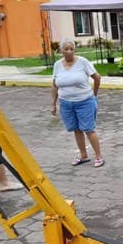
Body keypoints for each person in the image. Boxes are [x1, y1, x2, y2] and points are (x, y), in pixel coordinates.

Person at [51, 39, 104, 167]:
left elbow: (97, 77)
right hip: (66, 103)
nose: (69, 51)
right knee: (76, 129)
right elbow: (54, 85)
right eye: (66, 49)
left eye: (71, 49)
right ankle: (83, 155)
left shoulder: (82, 62)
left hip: (85, 101)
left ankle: (98, 157)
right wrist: (53, 103)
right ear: (61, 50)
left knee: (89, 129)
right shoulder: (57, 65)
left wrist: (94, 94)